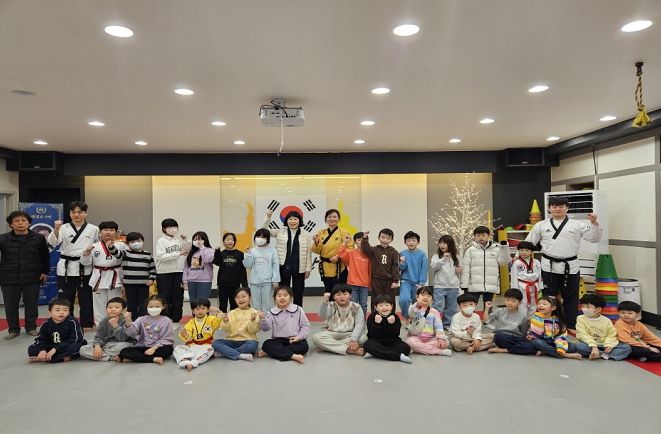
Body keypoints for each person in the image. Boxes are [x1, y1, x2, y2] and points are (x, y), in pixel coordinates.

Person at [525, 196, 603, 331]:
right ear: (549, 208)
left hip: (570, 266)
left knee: (571, 297)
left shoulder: (577, 224)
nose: (557, 209)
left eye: (561, 206)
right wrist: (518, 258)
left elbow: (594, 238)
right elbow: (528, 244)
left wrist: (594, 223)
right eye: (554, 206)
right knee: (548, 297)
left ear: (567, 208)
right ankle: (547, 323)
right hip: (548, 266)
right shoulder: (541, 225)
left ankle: (571, 324)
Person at [47, 201, 99, 331]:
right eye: (73, 212)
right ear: (70, 214)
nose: (76, 215)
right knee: (65, 298)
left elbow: (97, 247)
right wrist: (56, 229)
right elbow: (53, 242)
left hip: (84, 267)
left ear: (85, 213)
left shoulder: (94, 229)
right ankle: (66, 322)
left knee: (86, 298)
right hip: (66, 268)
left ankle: (87, 323)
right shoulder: (63, 227)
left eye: (80, 212)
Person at [0, 210, 50, 339]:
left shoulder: (38, 238)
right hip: (8, 277)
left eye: (23, 220)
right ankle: (13, 329)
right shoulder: (3, 238)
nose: (20, 223)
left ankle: (31, 327)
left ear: (29, 223)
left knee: (31, 304)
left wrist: (45, 272)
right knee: (10, 305)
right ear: (11, 224)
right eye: (16, 221)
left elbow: (45, 256)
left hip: (32, 275)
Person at [80, 221, 127, 325]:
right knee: (99, 304)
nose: (108, 232)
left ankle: (116, 325)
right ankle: (101, 326)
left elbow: (126, 261)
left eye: (111, 230)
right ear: (100, 232)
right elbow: (85, 263)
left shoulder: (121, 245)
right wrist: (87, 252)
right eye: (105, 230)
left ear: (116, 232)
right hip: (99, 276)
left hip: (115, 276)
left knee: (115, 303)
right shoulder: (93, 246)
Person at [263, 210, 313, 307]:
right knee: (282, 291)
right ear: (286, 221)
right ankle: (282, 310)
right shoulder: (280, 231)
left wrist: (308, 269)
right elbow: (263, 231)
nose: (293, 221)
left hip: (299, 267)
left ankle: (297, 311)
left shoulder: (306, 235)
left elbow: (308, 253)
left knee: (298, 291)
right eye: (290, 219)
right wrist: (268, 218)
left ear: (300, 220)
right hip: (283, 266)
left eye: (295, 219)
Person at [460, 226, 510, 311]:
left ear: (489, 236)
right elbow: (466, 268)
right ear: (475, 237)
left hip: (490, 283)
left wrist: (504, 248)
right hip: (474, 284)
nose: (481, 237)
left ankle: (487, 318)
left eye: (483, 235)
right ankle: (471, 318)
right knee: (470, 307)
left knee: (488, 307)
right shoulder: (470, 250)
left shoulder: (496, 249)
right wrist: (464, 285)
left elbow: (503, 263)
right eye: (478, 235)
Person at [310, 283, 366, 356]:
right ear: (334, 297)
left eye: (345, 294)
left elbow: (359, 324)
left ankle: (328, 347)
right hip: (332, 332)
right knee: (316, 338)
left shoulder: (356, 307)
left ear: (350, 295)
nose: (342, 297)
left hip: (349, 334)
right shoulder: (331, 305)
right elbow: (322, 317)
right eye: (338, 295)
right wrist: (324, 303)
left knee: (363, 338)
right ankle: (348, 349)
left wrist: (353, 340)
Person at [258, 286, 310, 364]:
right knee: (267, 344)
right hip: (278, 340)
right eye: (279, 296)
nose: (282, 298)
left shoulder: (298, 309)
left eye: (285, 295)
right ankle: (293, 356)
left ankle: (272, 352)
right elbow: (266, 328)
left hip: (294, 339)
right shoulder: (271, 312)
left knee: (304, 347)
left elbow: (305, 325)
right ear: (274, 299)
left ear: (291, 298)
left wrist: (299, 337)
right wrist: (262, 319)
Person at [118, 295, 174, 364]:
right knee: (124, 351)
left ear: (163, 307)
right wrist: (128, 321)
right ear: (147, 307)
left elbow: (167, 339)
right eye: (151, 307)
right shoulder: (142, 319)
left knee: (168, 349)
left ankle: (138, 358)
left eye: (157, 307)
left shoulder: (167, 320)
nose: (153, 309)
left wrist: (153, 348)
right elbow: (132, 332)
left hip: (158, 347)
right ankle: (153, 359)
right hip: (143, 347)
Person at [27, 298, 86, 363]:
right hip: (52, 345)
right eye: (58, 310)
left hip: (67, 345)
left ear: (68, 312)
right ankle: (55, 357)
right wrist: (42, 350)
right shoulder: (46, 324)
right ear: (50, 312)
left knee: (77, 347)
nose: (61, 312)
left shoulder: (72, 322)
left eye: (65, 310)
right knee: (32, 348)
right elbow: (40, 339)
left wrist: (55, 349)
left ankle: (49, 358)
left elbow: (75, 339)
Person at [575, 294, 631, 361]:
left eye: (587, 307)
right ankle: (604, 355)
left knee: (626, 347)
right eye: (583, 306)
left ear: (598, 309)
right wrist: (593, 346)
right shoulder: (580, 318)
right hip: (588, 344)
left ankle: (599, 355)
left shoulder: (606, 320)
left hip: (603, 344)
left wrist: (609, 345)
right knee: (578, 346)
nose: (584, 309)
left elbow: (611, 335)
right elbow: (582, 334)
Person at [155, 218, 190, 327]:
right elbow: (161, 256)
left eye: (175, 227)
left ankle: (176, 320)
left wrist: (185, 239)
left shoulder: (177, 240)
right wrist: (178, 254)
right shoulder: (161, 241)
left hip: (178, 271)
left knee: (177, 297)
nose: (173, 229)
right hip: (164, 272)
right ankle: (165, 319)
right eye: (170, 227)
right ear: (164, 229)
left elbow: (188, 249)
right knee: (164, 297)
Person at [79, 297, 135, 362]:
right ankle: (111, 357)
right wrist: (97, 347)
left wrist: (115, 326)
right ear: (106, 309)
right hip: (108, 344)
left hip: (122, 344)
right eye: (110, 307)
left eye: (116, 307)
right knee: (82, 349)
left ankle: (103, 355)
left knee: (124, 347)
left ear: (123, 310)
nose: (112, 309)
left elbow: (122, 339)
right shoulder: (104, 321)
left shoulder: (126, 320)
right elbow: (99, 337)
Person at [212, 287, 260, 361]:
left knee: (253, 345)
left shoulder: (255, 312)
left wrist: (252, 320)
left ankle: (225, 353)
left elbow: (252, 331)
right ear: (235, 299)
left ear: (250, 297)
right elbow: (226, 330)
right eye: (238, 297)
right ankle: (240, 355)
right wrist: (225, 321)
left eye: (244, 296)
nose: (241, 299)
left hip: (248, 340)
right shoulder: (232, 313)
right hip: (232, 340)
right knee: (215, 343)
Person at [311, 209, 352, 292]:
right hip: (325, 267)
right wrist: (316, 242)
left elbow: (350, 248)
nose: (332, 219)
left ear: (338, 218)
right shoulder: (321, 233)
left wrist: (338, 256)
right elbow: (316, 250)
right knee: (328, 291)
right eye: (329, 217)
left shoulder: (344, 232)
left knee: (340, 291)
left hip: (339, 266)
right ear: (326, 219)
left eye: (334, 217)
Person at [174, 298, 221, 370]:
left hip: (206, 345)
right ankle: (185, 360)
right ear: (193, 311)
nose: (200, 311)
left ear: (208, 310)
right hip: (193, 345)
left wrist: (218, 312)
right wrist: (185, 334)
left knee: (210, 350)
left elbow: (219, 320)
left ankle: (194, 362)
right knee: (177, 348)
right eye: (197, 309)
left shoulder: (211, 319)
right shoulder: (191, 322)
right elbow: (188, 337)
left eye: (203, 308)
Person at [363, 295, 411, 363]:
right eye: (381, 305)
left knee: (406, 348)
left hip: (392, 341)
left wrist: (392, 324)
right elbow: (372, 335)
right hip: (376, 341)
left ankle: (375, 353)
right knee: (368, 345)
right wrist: (377, 324)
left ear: (391, 306)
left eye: (387, 305)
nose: (384, 307)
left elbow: (396, 335)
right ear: (376, 307)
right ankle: (399, 356)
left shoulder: (395, 317)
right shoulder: (372, 316)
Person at [360, 229, 400, 312]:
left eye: (388, 238)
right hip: (376, 279)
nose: (385, 240)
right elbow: (365, 249)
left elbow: (395, 266)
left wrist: (396, 280)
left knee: (390, 299)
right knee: (376, 298)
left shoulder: (394, 252)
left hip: (389, 280)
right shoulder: (374, 250)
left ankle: (391, 316)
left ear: (391, 240)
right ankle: (375, 316)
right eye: (383, 237)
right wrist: (365, 238)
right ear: (378, 238)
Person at [405, 286, 452, 356]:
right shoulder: (414, 309)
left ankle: (419, 349)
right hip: (416, 337)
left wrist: (441, 338)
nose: (426, 297)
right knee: (410, 342)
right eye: (423, 295)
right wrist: (417, 305)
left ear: (432, 300)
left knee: (446, 343)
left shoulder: (435, 312)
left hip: (431, 338)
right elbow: (411, 313)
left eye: (429, 296)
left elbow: (439, 327)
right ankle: (439, 352)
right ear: (417, 297)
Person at [483, 288, 530, 354]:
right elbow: (486, 321)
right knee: (498, 336)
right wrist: (487, 309)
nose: (509, 303)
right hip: (499, 336)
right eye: (507, 300)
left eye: (513, 301)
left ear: (519, 302)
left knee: (529, 346)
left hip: (513, 338)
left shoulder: (523, 316)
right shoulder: (500, 311)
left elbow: (524, 333)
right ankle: (514, 348)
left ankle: (503, 349)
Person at [243, 229, 280, 312]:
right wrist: (248, 254)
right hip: (254, 282)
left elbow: (275, 266)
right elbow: (248, 265)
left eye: (263, 237)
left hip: (268, 282)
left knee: (267, 304)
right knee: (255, 305)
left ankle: (266, 319)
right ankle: (257, 320)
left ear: (267, 239)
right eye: (258, 236)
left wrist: (275, 280)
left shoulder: (272, 251)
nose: (260, 239)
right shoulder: (252, 251)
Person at [121, 232, 156, 320]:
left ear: (142, 241)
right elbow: (115, 253)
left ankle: (143, 321)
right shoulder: (125, 253)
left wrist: (151, 279)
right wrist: (110, 246)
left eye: (138, 241)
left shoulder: (148, 254)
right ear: (128, 244)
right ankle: (133, 322)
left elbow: (152, 269)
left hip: (144, 284)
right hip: (129, 284)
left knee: (143, 304)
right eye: (132, 242)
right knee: (131, 304)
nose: (136, 243)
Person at [430, 234, 461, 328]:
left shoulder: (456, 256)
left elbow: (459, 269)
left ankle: (447, 324)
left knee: (451, 307)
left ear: (450, 244)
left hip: (453, 286)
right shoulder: (436, 256)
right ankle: (436, 324)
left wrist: (459, 270)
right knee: (437, 306)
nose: (442, 245)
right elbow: (434, 267)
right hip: (439, 285)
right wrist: (443, 259)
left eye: (444, 243)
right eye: (440, 243)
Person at [337, 232, 371, 315]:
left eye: (363, 240)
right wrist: (345, 241)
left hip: (364, 284)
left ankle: (362, 321)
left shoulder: (369, 255)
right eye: (359, 240)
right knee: (353, 304)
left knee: (363, 304)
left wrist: (370, 283)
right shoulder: (351, 253)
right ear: (355, 242)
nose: (361, 242)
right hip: (352, 283)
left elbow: (370, 270)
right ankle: (353, 320)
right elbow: (341, 254)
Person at [213, 232, 248, 312]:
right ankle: (223, 319)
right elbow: (217, 262)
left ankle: (233, 319)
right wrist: (217, 251)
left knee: (235, 305)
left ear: (234, 241)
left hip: (235, 284)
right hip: (223, 285)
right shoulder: (221, 253)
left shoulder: (239, 254)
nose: (230, 241)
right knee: (222, 305)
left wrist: (244, 284)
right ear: (224, 242)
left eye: (232, 240)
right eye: (227, 240)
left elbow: (242, 270)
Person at [398, 231, 428, 321]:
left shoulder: (422, 254)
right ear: (405, 242)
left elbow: (424, 269)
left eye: (413, 240)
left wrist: (421, 283)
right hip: (405, 281)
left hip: (418, 283)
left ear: (418, 242)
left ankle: (416, 319)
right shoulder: (402, 253)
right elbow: (401, 269)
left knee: (418, 302)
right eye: (408, 240)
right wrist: (402, 263)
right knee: (404, 300)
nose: (411, 242)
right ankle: (407, 317)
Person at [182, 231, 215, 308]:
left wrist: (202, 248)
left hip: (204, 281)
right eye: (195, 239)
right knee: (193, 304)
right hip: (191, 281)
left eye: (199, 239)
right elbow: (186, 267)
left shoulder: (210, 250)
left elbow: (207, 259)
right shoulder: (191, 252)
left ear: (204, 240)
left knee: (203, 304)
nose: (197, 241)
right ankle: (194, 316)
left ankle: (204, 316)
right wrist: (185, 281)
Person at [510, 241, 542, 315]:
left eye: (527, 250)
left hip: (534, 287)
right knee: (522, 304)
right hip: (522, 287)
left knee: (534, 305)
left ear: (531, 251)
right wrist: (515, 290)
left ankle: (532, 321)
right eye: (521, 250)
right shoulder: (516, 263)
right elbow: (514, 277)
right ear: (518, 251)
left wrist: (540, 287)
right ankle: (522, 321)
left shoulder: (536, 262)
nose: (524, 252)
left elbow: (540, 275)